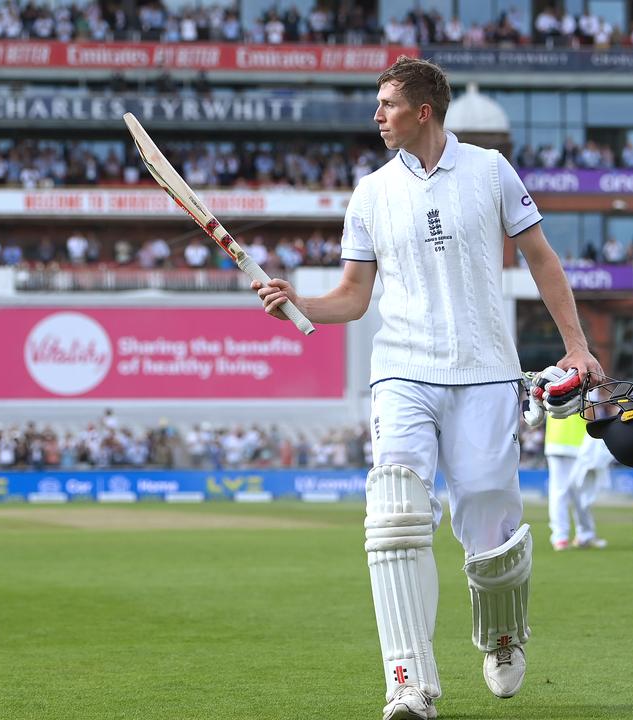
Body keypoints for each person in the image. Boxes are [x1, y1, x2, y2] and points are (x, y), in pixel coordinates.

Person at [253, 56, 602, 719]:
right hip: (402, 370)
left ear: (423, 111)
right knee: (394, 514)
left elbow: (541, 258)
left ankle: (502, 636)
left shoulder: (491, 172)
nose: (376, 115)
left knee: (491, 521)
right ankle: (408, 684)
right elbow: (354, 298)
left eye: (386, 104)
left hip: (486, 369)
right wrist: (298, 302)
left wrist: (577, 345)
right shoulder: (370, 192)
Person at [544, 413, 590, 550]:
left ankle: (560, 538)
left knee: (558, 493)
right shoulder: (586, 390)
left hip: (555, 441)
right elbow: (590, 415)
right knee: (581, 492)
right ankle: (584, 535)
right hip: (578, 443)